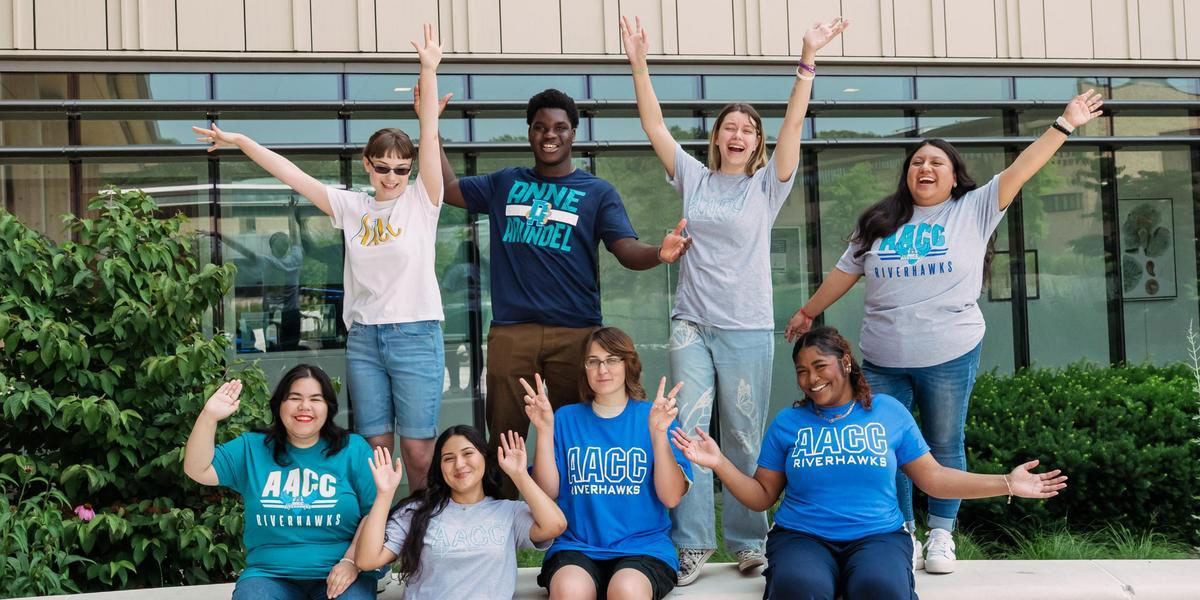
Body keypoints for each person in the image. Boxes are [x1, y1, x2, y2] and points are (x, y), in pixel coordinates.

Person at [783, 90, 1103, 573]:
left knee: (942, 441)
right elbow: (844, 273)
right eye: (916, 162)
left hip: (950, 352)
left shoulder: (973, 208)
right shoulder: (878, 221)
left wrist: (1065, 123)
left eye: (936, 162)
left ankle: (940, 534)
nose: (924, 169)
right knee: (885, 442)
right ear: (906, 173)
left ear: (954, 176)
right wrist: (808, 312)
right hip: (884, 356)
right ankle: (900, 531)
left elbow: (1024, 167)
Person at [619, 14, 849, 584]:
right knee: (688, 430)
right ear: (718, 137)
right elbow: (654, 127)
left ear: (757, 141)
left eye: (749, 126)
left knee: (743, 436)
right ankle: (692, 544)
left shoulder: (767, 186)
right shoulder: (694, 179)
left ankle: (750, 539)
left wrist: (806, 60)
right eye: (730, 125)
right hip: (692, 324)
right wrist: (639, 63)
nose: (739, 132)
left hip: (745, 326)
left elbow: (794, 121)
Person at [193, 24, 449, 490]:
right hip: (366, 339)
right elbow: (293, 176)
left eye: (401, 169)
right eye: (384, 167)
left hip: (416, 333)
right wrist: (244, 142)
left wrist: (428, 70)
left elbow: (428, 137)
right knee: (375, 451)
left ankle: (424, 539)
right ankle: (380, 544)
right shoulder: (352, 207)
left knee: (417, 451)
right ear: (367, 165)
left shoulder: (421, 202)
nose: (392, 176)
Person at [426, 86, 692, 498]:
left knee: (578, 428)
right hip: (513, 331)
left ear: (573, 134)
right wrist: (431, 123)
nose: (550, 134)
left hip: (577, 334)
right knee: (506, 435)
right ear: (530, 133)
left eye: (560, 128)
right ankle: (504, 517)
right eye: (540, 127)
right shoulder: (505, 183)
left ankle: (576, 514)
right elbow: (446, 187)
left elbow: (624, 250)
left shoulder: (597, 192)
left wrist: (659, 253)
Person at [672, 326, 1067, 600]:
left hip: (877, 536)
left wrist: (1008, 483)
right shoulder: (788, 424)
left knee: (881, 589)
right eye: (802, 372)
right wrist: (719, 462)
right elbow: (761, 498)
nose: (811, 379)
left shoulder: (888, 412)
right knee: (800, 589)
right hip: (802, 537)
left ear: (845, 362)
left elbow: (934, 479)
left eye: (819, 366)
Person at [525, 327, 693, 600]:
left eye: (613, 359)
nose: (602, 369)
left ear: (629, 364)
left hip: (643, 548)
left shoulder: (655, 417)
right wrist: (544, 430)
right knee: (569, 590)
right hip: (577, 547)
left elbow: (671, 496)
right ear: (585, 368)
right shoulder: (565, 419)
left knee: (626, 590)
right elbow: (547, 493)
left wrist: (659, 435)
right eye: (593, 361)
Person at [183, 365, 378, 599]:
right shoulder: (252, 447)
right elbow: (198, 469)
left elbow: (374, 514)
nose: (304, 406)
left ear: (329, 407)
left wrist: (351, 561)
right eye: (294, 398)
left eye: (315, 399)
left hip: (340, 571)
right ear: (279, 404)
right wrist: (209, 416)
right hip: (268, 576)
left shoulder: (353, 449)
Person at [353, 425, 566, 600]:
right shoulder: (417, 512)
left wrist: (520, 475)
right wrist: (384, 494)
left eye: (467, 454)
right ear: (440, 467)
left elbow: (555, 525)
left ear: (484, 457)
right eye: (448, 458)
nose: (459, 464)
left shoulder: (507, 512)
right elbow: (366, 560)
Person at [213, 197, 304, 351]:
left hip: (277, 313)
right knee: (286, 350)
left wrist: (217, 235)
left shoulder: (270, 260)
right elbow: (295, 236)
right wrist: (290, 212)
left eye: (283, 242)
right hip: (284, 312)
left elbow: (242, 249)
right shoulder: (293, 258)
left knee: (279, 350)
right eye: (282, 242)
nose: (283, 244)